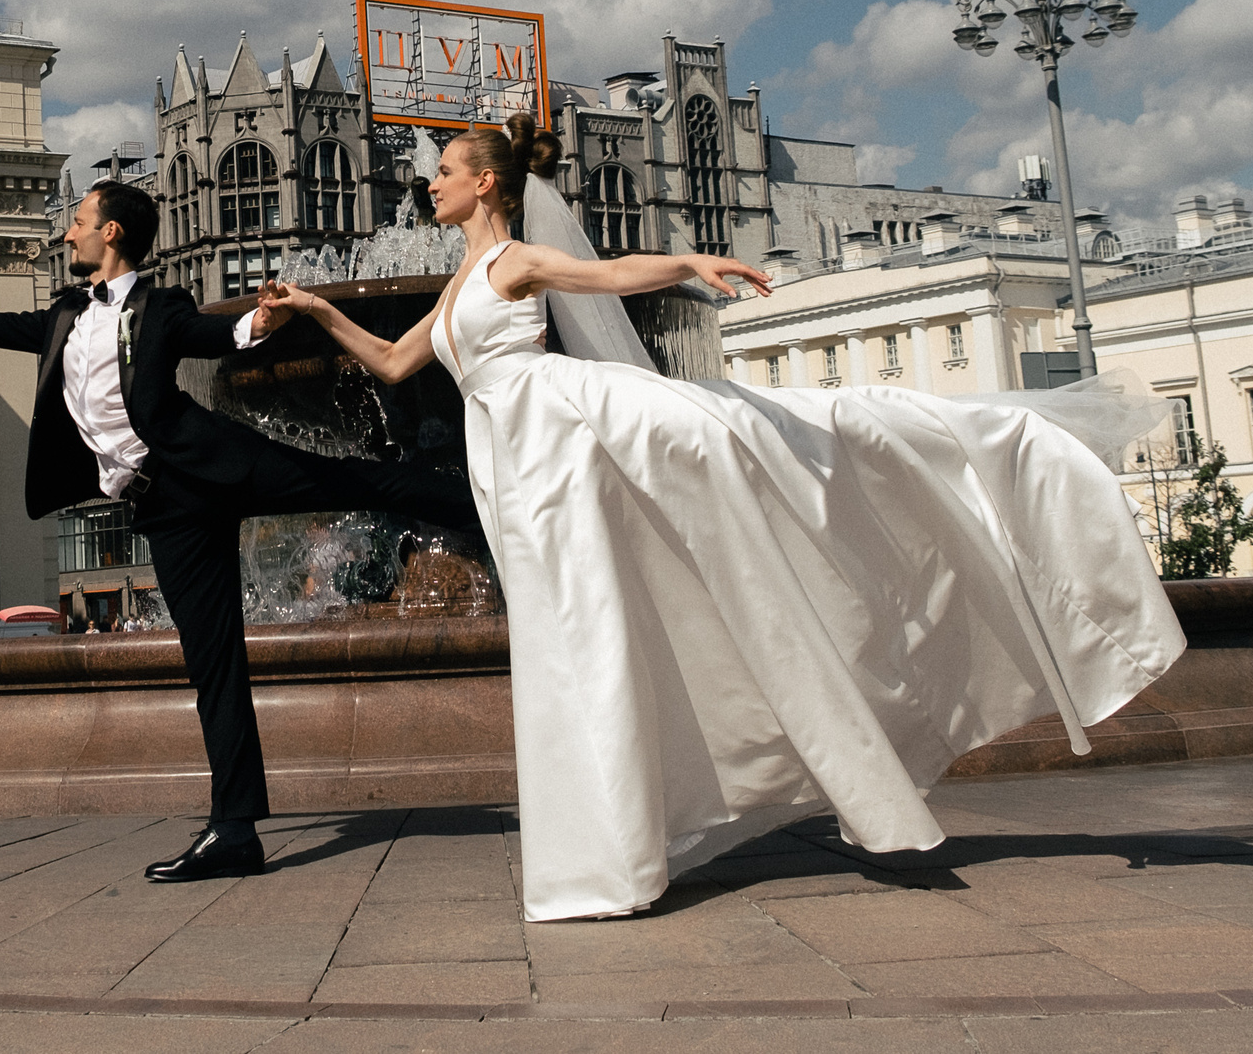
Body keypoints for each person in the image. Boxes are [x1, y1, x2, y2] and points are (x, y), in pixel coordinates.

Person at [263, 116, 1186, 923]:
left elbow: (611, 272)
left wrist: (687, 263)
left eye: (444, 171)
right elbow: (391, 362)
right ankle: (618, 845)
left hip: (569, 436)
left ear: (486, 184)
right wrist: (312, 308)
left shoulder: (513, 261)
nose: (429, 182)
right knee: (583, 632)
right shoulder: (461, 281)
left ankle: (962, 453)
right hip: (517, 461)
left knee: (748, 459)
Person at [0, 177, 486, 885]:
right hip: (164, 506)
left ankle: (482, 502)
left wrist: (259, 324)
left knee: (350, 481)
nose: (67, 232)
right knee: (213, 663)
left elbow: (219, 334)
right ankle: (235, 830)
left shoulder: (159, 305)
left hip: (216, 466)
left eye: (78, 220)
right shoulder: (63, 316)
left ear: (111, 232)